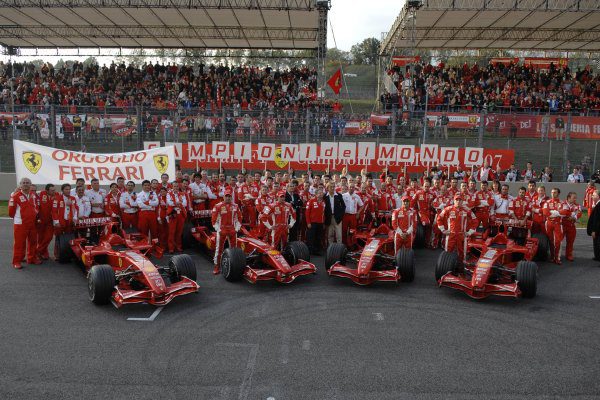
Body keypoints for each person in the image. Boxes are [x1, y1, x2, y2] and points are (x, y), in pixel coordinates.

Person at [9, 178, 40, 269]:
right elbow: (11, 212)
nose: (26, 184)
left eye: (28, 183)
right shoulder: (15, 196)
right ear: (20, 185)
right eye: (24, 183)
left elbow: (36, 206)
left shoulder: (33, 195)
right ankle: (16, 261)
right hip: (20, 224)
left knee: (33, 242)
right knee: (19, 244)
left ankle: (31, 258)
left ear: (30, 185)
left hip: (32, 223)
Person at [436, 195, 478, 261]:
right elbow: (439, 219)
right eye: (456, 200)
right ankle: (447, 268)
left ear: (462, 201)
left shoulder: (467, 210)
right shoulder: (448, 209)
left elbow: (475, 221)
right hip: (451, 235)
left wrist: (469, 232)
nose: (458, 201)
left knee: (462, 254)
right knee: (447, 253)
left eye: (460, 200)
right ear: (454, 201)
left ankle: (461, 268)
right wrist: (443, 230)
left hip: (462, 235)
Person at [211, 188, 241, 274]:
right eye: (226, 196)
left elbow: (239, 219)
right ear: (223, 197)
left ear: (231, 197)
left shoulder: (235, 206)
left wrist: (236, 229)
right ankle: (216, 266)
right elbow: (213, 221)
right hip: (222, 230)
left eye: (229, 196)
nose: (228, 198)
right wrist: (218, 229)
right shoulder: (218, 206)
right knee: (219, 249)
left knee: (234, 249)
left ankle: (234, 265)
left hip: (232, 230)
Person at [542, 188, 570, 265]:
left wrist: (555, 212)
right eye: (552, 192)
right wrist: (557, 213)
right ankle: (552, 256)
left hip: (558, 224)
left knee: (558, 241)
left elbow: (566, 212)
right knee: (550, 240)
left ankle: (557, 258)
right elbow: (545, 212)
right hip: (549, 223)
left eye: (555, 192)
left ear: (558, 193)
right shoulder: (547, 202)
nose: (553, 194)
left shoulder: (562, 203)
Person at [36, 183, 56, 261]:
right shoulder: (40, 193)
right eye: (52, 190)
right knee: (40, 238)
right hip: (41, 220)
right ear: (46, 190)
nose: (54, 191)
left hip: (50, 221)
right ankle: (44, 253)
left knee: (49, 237)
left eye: (54, 190)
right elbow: (31, 192)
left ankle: (37, 252)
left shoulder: (57, 195)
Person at [166, 181, 187, 253]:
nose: (176, 188)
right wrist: (178, 203)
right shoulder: (169, 194)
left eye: (177, 186)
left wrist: (176, 203)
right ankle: (171, 248)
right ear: (172, 187)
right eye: (174, 186)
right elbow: (169, 203)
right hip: (173, 214)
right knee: (171, 231)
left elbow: (185, 204)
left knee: (179, 231)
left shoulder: (182, 194)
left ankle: (178, 246)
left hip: (180, 214)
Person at [305, 188, 325, 255]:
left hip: (320, 223)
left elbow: (323, 213)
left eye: (321, 193)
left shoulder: (323, 202)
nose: (320, 194)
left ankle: (316, 251)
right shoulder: (311, 201)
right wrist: (308, 223)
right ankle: (309, 251)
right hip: (312, 223)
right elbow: (307, 213)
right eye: (319, 193)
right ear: (316, 194)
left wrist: (323, 222)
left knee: (318, 237)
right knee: (311, 237)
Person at [562, 192, 581, 262]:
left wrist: (574, 218)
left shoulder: (577, 205)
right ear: (569, 198)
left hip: (571, 226)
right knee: (559, 241)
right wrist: (569, 215)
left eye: (576, 198)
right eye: (574, 198)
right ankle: (556, 255)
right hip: (562, 225)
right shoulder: (562, 203)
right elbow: (561, 212)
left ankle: (569, 255)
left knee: (570, 242)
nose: (575, 199)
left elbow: (579, 213)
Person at [586, 189, 600, 261]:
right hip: (597, 229)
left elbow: (597, 220)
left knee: (598, 244)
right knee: (596, 243)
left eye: (594, 195)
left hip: (597, 230)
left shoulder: (599, 205)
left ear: (598, 196)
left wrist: (594, 230)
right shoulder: (597, 204)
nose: (592, 196)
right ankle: (597, 256)